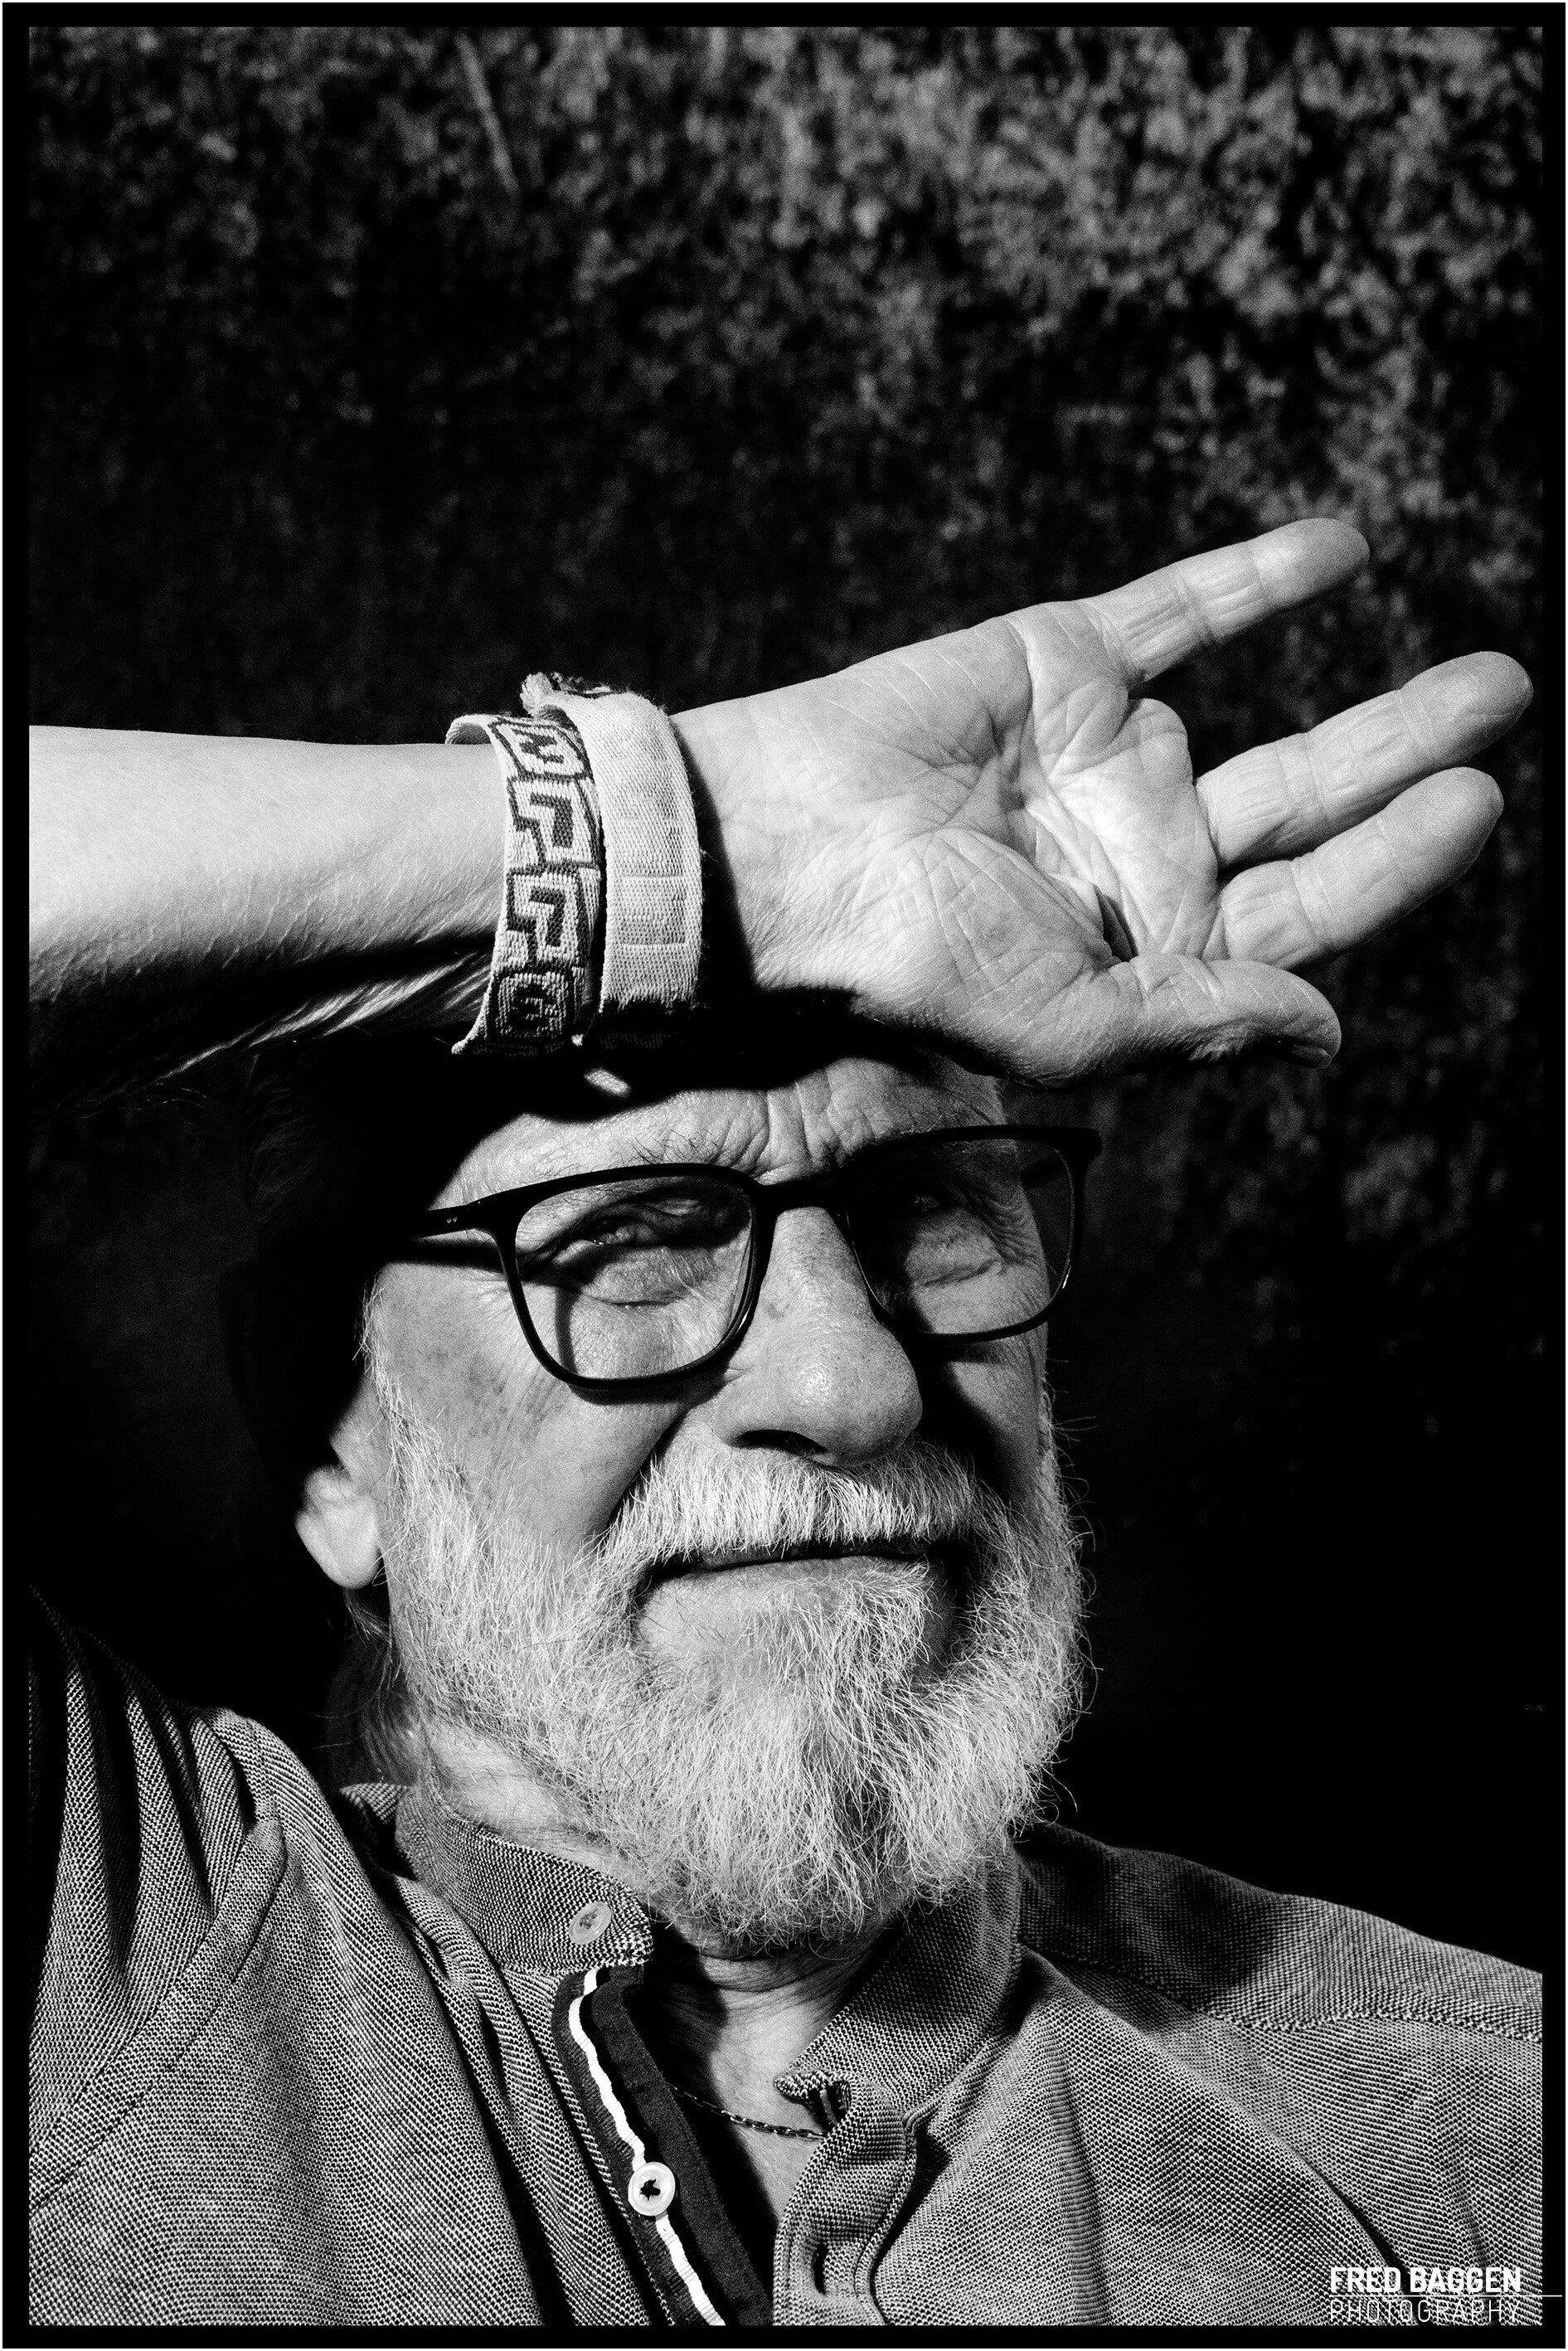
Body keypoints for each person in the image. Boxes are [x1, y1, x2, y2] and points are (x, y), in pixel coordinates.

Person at [29, 522, 1539, 2329]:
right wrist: (711, 842)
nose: (853, 1388)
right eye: (630, 1241)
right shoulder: (108, 1960)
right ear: (327, 1440)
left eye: (928, 1208)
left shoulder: (1472, 2141)